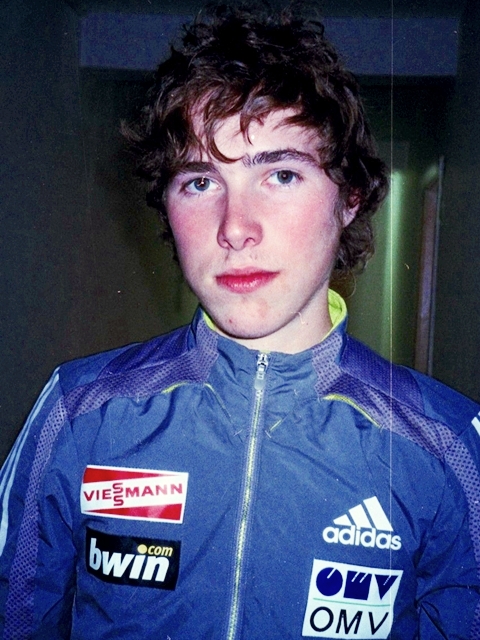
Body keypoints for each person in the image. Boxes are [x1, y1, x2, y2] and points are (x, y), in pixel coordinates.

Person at [1, 5, 480, 639]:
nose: (234, 228)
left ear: (349, 199)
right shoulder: (78, 412)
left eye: (280, 174)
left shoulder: (447, 447)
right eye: (200, 182)